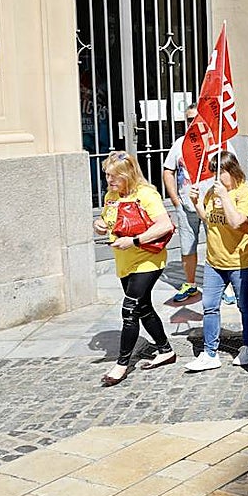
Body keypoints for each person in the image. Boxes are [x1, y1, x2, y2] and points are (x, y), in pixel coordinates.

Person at [93, 150, 178, 386]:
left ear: (128, 173)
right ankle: (166, 350)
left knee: (129, 310)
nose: (109, 181)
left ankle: (121, 364)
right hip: (125, 261)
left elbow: (164, 225)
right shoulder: (112, 195)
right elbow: (108, 221)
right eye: (107, 175)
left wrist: (135, 240)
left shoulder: (146, 194)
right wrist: (99, 224)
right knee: (143, 307)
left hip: (148, 258)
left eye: (114, 176)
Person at [187, 151, 248, 371]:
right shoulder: (213, 192)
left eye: (220, 172)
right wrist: (196, 203)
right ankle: (209, 352)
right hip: (214, 261)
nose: (215, 177)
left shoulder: (244, 193)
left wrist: (225, 197)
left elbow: (237, 222)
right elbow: (209, 219)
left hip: (240, 261)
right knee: (209, 306)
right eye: (213, 171)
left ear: (231, 170)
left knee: (244, 306)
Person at [162, 105, 202, 304]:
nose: (192, 123)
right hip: (186, 206)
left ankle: (224, 285)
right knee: (187, 247)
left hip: (213, 207)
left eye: (195, 118)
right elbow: (168, 170)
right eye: (188, 119)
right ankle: (191, 284)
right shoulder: (179, 144)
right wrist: (175, 200)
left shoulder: (217, 143)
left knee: (217, 247)